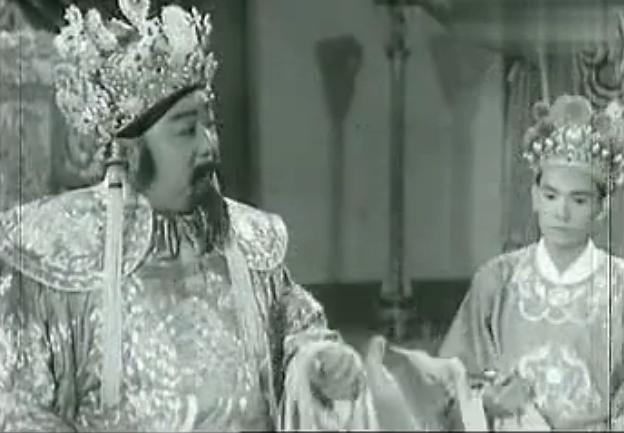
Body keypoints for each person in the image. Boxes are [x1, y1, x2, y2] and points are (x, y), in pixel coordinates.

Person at [0, 1, 376, 431]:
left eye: (210, 124)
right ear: (129, 151)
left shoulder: (249, 243)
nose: (208, 145)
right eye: (185, 130)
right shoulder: (55, 257)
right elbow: (15, 402)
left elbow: (297, 335)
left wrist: (318, 363)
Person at [438, 94, 624, 430]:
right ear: (535, 197)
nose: (561, 212)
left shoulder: (620, 287)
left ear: (601, 207)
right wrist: (486, 403)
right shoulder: (497, 282)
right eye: (551, 196)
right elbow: (448, 385)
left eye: (579, 200)